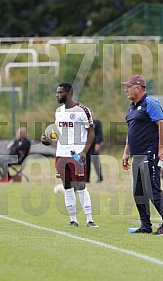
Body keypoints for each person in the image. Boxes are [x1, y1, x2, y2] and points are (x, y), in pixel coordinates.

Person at [121, 75, 163, 236]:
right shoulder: (132, 107)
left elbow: (162, 125)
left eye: (128, 86)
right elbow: (130, 132)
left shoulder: (150, 103)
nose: (126, 89)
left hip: (149, 154)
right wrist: (126, 153)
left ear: (138, 88)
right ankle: (145, 225)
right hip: (136, 156)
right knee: (138, 192)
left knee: (153, 190)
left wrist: (161, 149)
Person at [41, 82, 99, 228]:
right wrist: (47, 140)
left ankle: (89, 219)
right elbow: (56, 134)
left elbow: (91, 132)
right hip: (61, 155)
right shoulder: (58, 111)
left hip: (77, 155)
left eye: (60, 92)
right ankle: (73, 220)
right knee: (67, 186)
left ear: (69, 93)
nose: (57, 95)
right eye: (57, 92)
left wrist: (84, 152)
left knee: (80, 185)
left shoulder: (82, 110)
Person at [86, 115, 103, 183]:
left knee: (96, 161)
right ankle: (87, 178)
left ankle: (100, 177)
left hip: (94, 145)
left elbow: (99, 133)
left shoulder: (96, 122)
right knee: (86, 161)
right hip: (86, 145)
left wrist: (98, 143)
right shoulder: (82, 123)